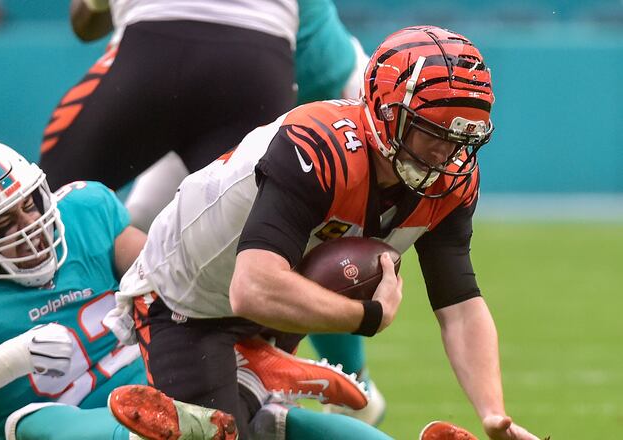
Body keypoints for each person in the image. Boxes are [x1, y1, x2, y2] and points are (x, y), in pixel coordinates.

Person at [105, 26, 540, 440]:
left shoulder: (450, 180)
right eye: (432, 134)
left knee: (240, 423)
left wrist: (493, 411)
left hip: (280, 296)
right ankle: (252, 389)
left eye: (459, 140)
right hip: (187, 298)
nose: (446, 155)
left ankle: (256, 381)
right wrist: (365, 317)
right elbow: (251, 288)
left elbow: (460, 303)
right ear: (388, 113)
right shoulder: (320, 147)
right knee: (223, 430)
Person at [0, 138, 391, 440]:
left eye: (30, 204)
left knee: (274, 424)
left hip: (178, 396)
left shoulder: (85, 215)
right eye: (1, 225)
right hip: (75, 427)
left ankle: (231, 397)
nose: (29, 225)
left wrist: (252, 335)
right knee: (34, 422)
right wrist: (5, 361)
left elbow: (168, 277)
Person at [59, 0, 387, 426]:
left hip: (332, 110)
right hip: (235, 96)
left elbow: (322, 71)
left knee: (281, 246)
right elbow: (86, 21)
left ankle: (340, 382)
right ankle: (133, 362)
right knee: (147, 234)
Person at [39, 0, 298, 192]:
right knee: (265, 240)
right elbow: (318, 35)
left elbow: (85, 23)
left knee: (45, 203)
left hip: (152, 49)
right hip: (259, 64)